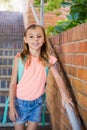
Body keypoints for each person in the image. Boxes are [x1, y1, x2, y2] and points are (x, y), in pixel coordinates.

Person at [9, 23, 73, 130]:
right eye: (31, 36)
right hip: (20, 102)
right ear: (25, 40)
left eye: (39, 36)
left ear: (44, 39)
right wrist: (12, 106)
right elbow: (12, 84)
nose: (35, 40)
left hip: (37, 103)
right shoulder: (19, 58)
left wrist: (64, 94)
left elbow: (58, 77)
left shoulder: (48, 59)